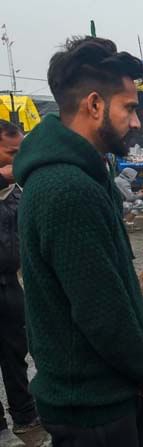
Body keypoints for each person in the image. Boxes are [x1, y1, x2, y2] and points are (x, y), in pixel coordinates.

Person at [13, 36, 143, 446]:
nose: (136, 123)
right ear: (95, 104)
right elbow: (99, 308)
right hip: (91, 409)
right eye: (130, 108)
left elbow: (116, 281)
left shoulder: (87, 174)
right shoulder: (65, 188)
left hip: (109, 392)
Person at [0, 120, 40, 447]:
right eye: (12, 152)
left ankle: (26, 416)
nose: (18, 159)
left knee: (16, 351)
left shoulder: (18, 195)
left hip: (10, 284)